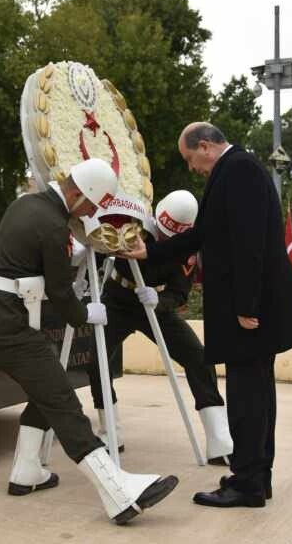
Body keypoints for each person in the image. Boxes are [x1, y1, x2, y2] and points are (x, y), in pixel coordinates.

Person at [0, 158, 178, 525]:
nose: (92, 213)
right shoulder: (51, 225)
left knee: (46, 388)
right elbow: (60, 292)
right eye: (92, 206)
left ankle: (27, 472)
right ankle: (119, 493)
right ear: (79, 194)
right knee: (62, 399)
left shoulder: (26, 203)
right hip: (8, 324)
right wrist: (85, 314)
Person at [120, 122, 292, 508]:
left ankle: (247, 483)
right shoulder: (235, 170)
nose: (192, 168)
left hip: (249, 312)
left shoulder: (238, 170)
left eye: (190, 159)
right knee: (255, 394)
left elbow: (250, 243)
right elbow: (204, 234)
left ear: (205, 146)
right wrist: (149, 252)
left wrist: (246, 306)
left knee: (246, 397)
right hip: (249, 309)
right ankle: (255, 477)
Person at [85, 191, 233, 465]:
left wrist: (159, 301)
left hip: (153, 306)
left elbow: (180, 293)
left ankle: (220, 439)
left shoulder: (188, 247)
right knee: (97, 362)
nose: (163, 240)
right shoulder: (133, 222)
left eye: (170, 237)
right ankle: (110, 432)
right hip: (117, 300)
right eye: (161, 233)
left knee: (198, 357)